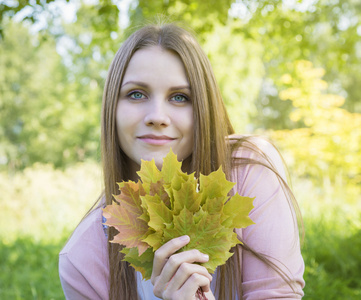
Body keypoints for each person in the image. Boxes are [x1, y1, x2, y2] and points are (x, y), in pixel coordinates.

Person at [59, 22, 305, 300]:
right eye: (136, 94)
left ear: (203, 107)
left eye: (179, 97)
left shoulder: (248, 168)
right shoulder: (83, 259)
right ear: (111, 109)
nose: (157, 116)